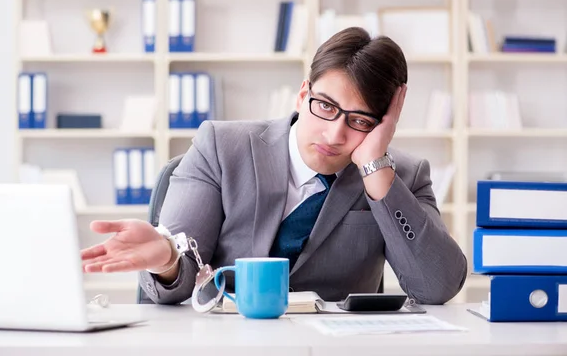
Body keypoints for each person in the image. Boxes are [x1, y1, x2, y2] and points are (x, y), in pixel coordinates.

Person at [81, 27, 467, 305]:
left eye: (360, 121)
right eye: (326, 107)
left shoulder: (403, 176)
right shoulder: (221, 146)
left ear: (383, 125)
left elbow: (437, 286)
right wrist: (166, 258)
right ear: (303, 94)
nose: (334, 134)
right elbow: (180, 280)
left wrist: (377, 172)